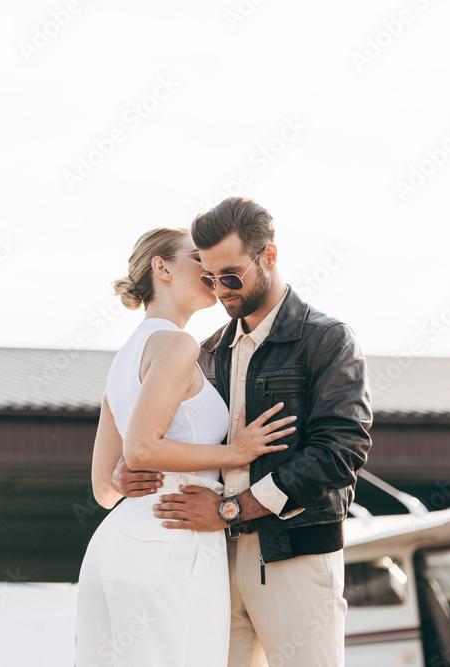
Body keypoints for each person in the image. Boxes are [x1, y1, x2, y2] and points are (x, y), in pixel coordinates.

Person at [117, 197, 374, 666]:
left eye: (230, 276)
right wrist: (131, 470)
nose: (220, 290)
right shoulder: (208, 350)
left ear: (269, 257)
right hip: (211, 560)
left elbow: (341, 451)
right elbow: (184, 436)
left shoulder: (326, 339)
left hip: (292, 556)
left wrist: (233, 509)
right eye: (210, 278)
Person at [75, 227, 297, 667]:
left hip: (117, 541)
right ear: (162, 268)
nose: (212, 270)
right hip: (170, 538)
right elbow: (141, 449)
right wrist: (235, 453)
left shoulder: (122, 359)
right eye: (199, 259)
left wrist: (129, 475)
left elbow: (105, 489)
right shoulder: (178, 344)